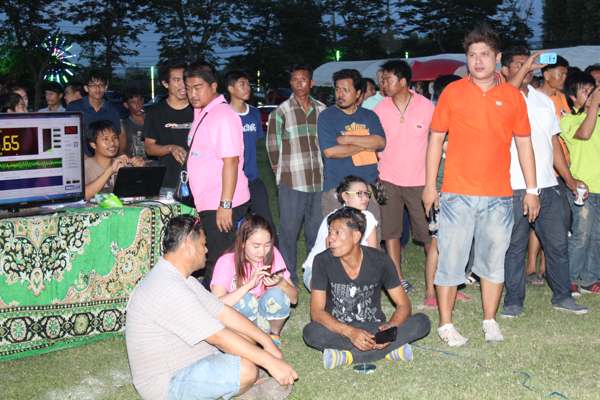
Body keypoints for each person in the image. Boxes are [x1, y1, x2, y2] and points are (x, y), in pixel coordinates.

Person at [422, 25, 540, 347]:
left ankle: (490, 320)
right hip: (456, 193)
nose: (478, 61)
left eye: (484, 54)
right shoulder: (453, 92)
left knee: (493, 261)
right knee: (451, 260)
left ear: (497, 58)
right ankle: (446, 324)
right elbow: (435, 139)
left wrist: (532, 190)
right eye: (472, 55)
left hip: (498, 196)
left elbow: (524, 144)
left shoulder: (512, 97)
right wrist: (430, 185)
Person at [126, 215, 298, 400]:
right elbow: (218, 337)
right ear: (188, 244)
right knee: (246, 370)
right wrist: (269, 362)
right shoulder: (168, 286)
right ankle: (242, 386)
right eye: (203, 244)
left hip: (193, 358)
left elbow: (223, 311)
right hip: (167, 383)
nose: (206, 250)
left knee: (246, 338)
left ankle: (235, 380)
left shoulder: (183, 279)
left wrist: (266, 341)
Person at [500, 47, 588, 317]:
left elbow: (554, 144)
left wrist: (569, 179)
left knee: (557, 244)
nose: (526, 67)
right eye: (519, 64)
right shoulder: (499, 98)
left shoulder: (544, 101)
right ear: (504, 70)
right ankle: (514, 300)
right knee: (514, 246)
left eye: (529, 63)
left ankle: (562, 296)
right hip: (513, 186)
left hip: (548, 185)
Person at [302, 207, 430, 369]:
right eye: (330, 232)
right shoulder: (322, 261)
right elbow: (317, 312)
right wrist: (350, 332)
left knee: (422, 321)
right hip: (339, 329)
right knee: (311, 332)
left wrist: (391, 328)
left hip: (374, 327)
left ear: (356, 236)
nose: (330, 239)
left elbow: (404, 304)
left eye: (337, 233)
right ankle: (390, 351)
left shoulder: (380, 260)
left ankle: (346, 356)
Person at [185, 62, 250, 287]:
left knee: (219, 259)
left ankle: (217, 303)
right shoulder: (203, 112)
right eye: (189, 88)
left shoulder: (222, 115)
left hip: (222, 201)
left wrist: (225, 204)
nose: (192, 94)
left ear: (213, 86)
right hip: (208, 201)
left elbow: (231, 161)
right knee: (215, 254)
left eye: (198, 87)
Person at [375, 59, 434, 292]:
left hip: (420, 181)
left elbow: (436, 140)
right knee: (391, 232)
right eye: (382, 80)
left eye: (387, 79)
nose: (383, 84)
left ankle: (436, 280)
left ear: (402, 81)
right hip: (387, 179)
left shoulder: (426, 107)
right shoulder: (380, 109)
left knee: (428, 234)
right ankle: (397, 279)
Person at [266, 65, 325, 285]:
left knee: (316, 231)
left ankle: (314, 273)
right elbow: (273, 147)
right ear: (290, 83)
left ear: (311, 83)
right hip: (292, 180)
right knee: (289, 232)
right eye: (295, 80)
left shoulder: (322, 110)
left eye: (303, 79)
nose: (299, 83)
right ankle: (288, 275)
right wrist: (281, 176)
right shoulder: (281, 112)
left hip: (319, 180)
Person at [211, 215, 297, 346]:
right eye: (256, 246)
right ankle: (250, 337)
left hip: (264, 314)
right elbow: (215, 306)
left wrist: (281, 283)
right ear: (242, 243)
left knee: (277, 295)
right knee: (246, 300)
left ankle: (273, 334)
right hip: (241, 320)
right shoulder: (226, 262)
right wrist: (249, 285)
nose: (262, 252)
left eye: (267, 245)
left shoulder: (273, 253)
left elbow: (294, 299)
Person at [317, 69, 385, 220]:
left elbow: (380, 142)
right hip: (337, 189)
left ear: (358, 93)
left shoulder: (370, 116)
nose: (340, 94)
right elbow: (331, 152)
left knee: (371, 231)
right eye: (337, 89)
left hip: (368, 188)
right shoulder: (326, 117)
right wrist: (367, 143)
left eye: (345, 90)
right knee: (339, 232)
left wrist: (348, 139)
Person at [560, 71, 600, 295]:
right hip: (583, 189)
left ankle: (590, 278)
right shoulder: (568, 120)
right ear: (573, 97)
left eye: (593, 90)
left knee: (597, 237)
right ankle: (570, 278)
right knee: (581, 235)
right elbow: (584, 134)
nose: (591, 94)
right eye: (585, 91)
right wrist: (593, 106)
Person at [303, 175, 379, 291]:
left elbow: (372, 253)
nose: (365, 198)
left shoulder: (369, 217)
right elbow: (331, 255)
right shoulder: (335, 219)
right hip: (318, 269)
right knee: (333, 288)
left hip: (352, 268)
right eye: (359, 194)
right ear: (345, 196)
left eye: (367, 194)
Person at [226, 70, 277, 239]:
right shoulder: (223, 115)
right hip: (231, 181)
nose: (247, 87)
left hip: (253, 179)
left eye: (248, 84)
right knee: (231, 226)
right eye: (242, 84)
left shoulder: (254, 113)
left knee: (266, 222)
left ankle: (272, 254)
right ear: (231, 88)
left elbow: (257, 146)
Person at [144, 61, 193, 189]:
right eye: (177, 80)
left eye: (184, 79)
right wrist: (171, 148)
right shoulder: (155, 112)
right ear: (166, 83)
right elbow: (149, 147)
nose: (183, 84)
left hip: (199, 180)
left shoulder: (199, 109)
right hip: (168, 182)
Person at [66, 70, 124, 156]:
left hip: (106, 159)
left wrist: (118, 156)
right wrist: (83, 158)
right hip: (80, 158)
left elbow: (119, 135)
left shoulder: (112, 109)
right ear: (86, 88)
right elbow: (68, 136)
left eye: (101, 85)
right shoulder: (74, 108)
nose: (97, 88)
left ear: (106, 87)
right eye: (93, 85)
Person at [84, 120, 144, 200]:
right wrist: (111, 170)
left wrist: (139, 171)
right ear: (93, 145)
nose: (112, 143)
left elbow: (140, 194)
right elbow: (84, 195)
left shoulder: (124, 164)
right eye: (106, 139)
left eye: (115, 138)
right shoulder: (85, 167)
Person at [121, 88, 147, 159]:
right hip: (133, 164)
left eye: (139, 100)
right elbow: (121, 152)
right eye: (133, 102)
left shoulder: (152, 120)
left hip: (154, 163)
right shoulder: (124, 125)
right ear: (126, 105)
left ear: (143, 101)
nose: (137, 104)